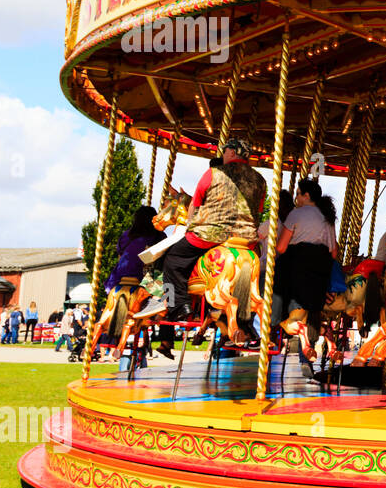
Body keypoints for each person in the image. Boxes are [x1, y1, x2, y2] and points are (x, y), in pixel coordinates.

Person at [135, 138, 266, 336]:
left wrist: (190, 226)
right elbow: (259, 209)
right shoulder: (260, 180)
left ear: (231, 152)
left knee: (173, 258)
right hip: (246, 239)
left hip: (212, 234)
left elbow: (195, 205)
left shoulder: (213, 173)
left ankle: (178, 305)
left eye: (224, 151)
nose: (223, 155)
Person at [273, 178, 338, 341]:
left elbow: (281, 248)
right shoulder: (327, 217)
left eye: (298, 194)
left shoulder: (296, 214)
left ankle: (273, 320)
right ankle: (320, 329)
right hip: (320, 274)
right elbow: (334, 253)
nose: (296, 198)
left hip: (298, 268)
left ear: (306, 195)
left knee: (274, 280)